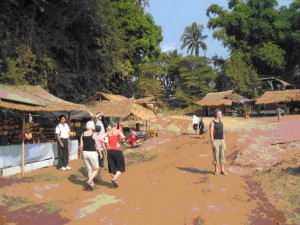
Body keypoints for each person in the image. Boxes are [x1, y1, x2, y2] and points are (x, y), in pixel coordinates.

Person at [100, 122, 125, 188]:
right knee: (121, 166)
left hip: (110, 151)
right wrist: (118, 141)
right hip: (117, 150)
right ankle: (114, 179)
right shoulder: (118, 131)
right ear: (116, 126)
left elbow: (100, 138)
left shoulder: (108, 132)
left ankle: (115, 181)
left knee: (112, 167)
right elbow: (123, 137)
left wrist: (106, 142)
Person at [79, 121, 103, 190]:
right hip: (92, 152)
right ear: (92, 126)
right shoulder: (93, 134)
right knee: (96, 169)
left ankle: (91, 185)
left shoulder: (83, 134)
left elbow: (81, 145)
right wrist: (100, 153)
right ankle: (89, 181)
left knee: (89, 169)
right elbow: (97, 145)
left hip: (85, 153)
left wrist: (80, 153)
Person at [209, 109, 227, 175]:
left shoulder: (221, 121)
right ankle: (216, 170)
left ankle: (222, 170)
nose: (222, 115)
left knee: (222, 155)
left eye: (221, 114)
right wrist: (213, 142)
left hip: (222, 140)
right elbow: (211, 133)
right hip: (216, 141)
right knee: (216, 155)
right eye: (220, 114)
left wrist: (224, 140)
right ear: (217, 115)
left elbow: (223, 131)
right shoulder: (212, 123)